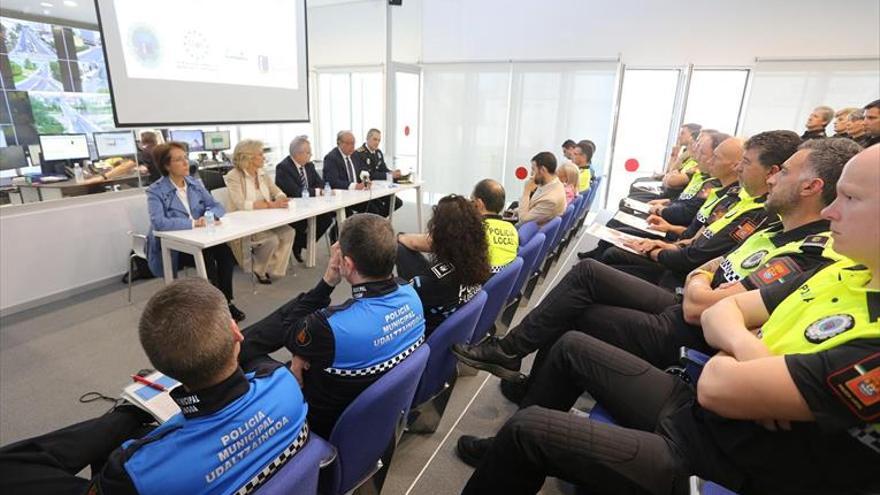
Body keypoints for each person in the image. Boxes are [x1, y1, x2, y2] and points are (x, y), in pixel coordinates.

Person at [457, 144, 880, 495]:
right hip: (700, 404)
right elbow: (717, 304)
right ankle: (511, 357)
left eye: (852, 199)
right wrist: (756, 355)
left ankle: (510, 375)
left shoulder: (822, 266)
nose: (831, 213)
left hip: (723, 459)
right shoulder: (838, 270)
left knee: (529, 429)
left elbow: (717, 372)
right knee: (570, 343)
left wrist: (730, 341)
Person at [453, 137, 859, 394]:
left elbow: (701, 284)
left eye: (781, 171)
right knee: (587, 280)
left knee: (582, 301)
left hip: (686, 322)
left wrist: (701, 280)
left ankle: (514, 359)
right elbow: (708, 259)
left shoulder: (809, 249)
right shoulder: (772, 225)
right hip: (685, 299)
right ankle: (514, 357)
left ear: (810, 186)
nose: (740, 170)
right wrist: (702, 276)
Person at [0, 278, 309, 494]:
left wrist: (125, 417)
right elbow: (259, 344)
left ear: (163, 370)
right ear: (235, 334)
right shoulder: (285, 384)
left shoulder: (137, 470)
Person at [238, 214, 426, 437]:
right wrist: (305, 350)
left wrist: (326, 284)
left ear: (346, 264)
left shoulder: (330, 327)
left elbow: (287, 329)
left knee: (245, 348)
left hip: (321, 420)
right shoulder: (411, 294)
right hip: (372, 410)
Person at [601, 135, 778, 287]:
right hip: (679, 255)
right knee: (613, 245)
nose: (705, 159)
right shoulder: (734, 197)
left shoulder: (757, 214)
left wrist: (655, 249)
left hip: (680, 276)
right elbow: (697, 237)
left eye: (745, 163)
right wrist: (669, 234)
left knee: (601, 264)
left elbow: (694, 250)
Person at [143, 141, 243, 321]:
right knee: (207, 260)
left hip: (203, 238)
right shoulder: (155, 191)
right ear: (167, 165)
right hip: (176, 247)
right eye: (179, 160)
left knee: (226, 255)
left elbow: (216, 206)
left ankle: (226, 302)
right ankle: (216, 308)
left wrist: (208, 216)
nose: (185, 163)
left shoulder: (194, 183)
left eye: (186, 158)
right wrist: (193, 223)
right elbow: (159, 222)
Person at [397, 195, 490, 335]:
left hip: (424, 331)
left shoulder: (429, 282)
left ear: (439, 234)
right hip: (455, 323)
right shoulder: (480, 261)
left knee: (399, 250)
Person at [224, 139, 294, 284]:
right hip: (243, 222)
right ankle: (260, 270)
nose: (264, 157)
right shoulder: (234, 176)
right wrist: (270, 205)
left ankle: (273, 269)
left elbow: (276, 190)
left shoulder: (262, 172)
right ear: (249, 157)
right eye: (260, 154)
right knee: (272, 239)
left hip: (265, 218)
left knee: (288, 232)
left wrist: (281, 198)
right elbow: (241, 204)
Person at [275, 135, 334, 263]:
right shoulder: (283, 168)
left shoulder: (309, 166)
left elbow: (320, 183)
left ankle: (301, 243)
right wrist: (319, 191)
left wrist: (324, 189)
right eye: (308, 152)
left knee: (327, 218)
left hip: (310, 205)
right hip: (292, 209)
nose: (311, 155)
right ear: (298, 153)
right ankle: (300, 243)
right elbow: (295, 192)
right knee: (303, 223)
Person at [472, 179, 519, 273]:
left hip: (481, 280)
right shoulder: (512, 229)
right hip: (504, 280)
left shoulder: (474, 229)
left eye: (472, 201)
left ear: (479, 204)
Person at [353, 128, 403, 215]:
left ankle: (378, 223)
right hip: (365, 190)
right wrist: (389, 175)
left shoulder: (378, 152)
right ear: (368, 138)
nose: (377, 142)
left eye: (379, 140)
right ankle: (377, 224)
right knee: (376, 210)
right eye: (375, 139)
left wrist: (393, 173)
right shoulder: (359, 153)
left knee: (397, 202)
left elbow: (383, 169)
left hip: (378, 188)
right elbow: (370, 175)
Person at [516, 151, 566, 226]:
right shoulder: (553, 183)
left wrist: (526, 192)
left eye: (533, 169)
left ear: (543, 170)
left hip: (527, 232)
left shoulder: (550, 201)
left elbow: (523, 220)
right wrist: (516, 211)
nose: (531, 174)